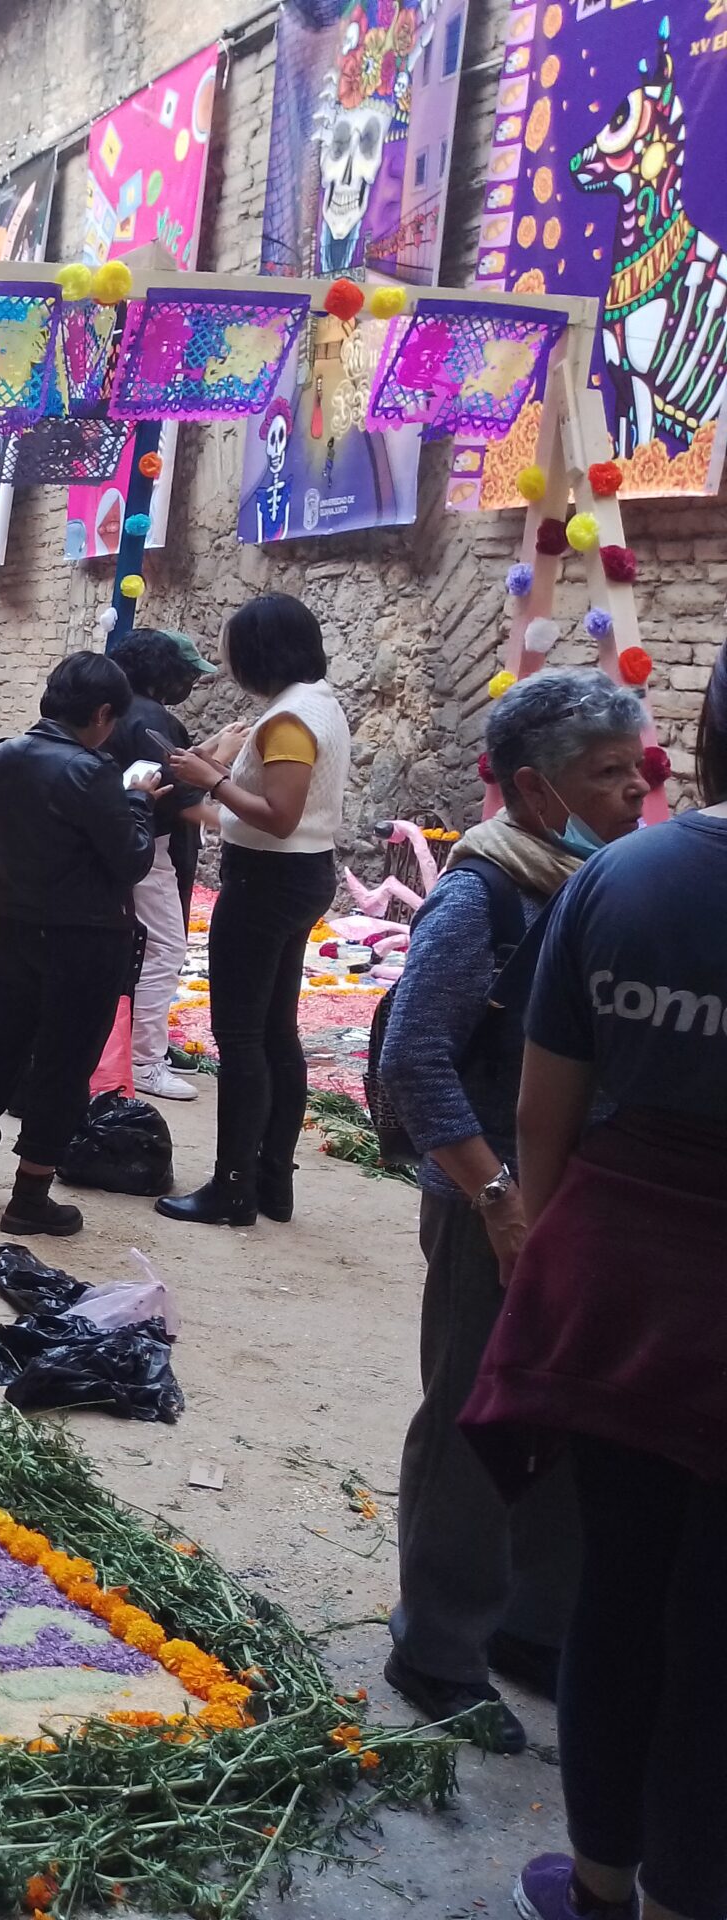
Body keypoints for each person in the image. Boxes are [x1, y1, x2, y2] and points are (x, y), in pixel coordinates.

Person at [461, 646, 727, 1920]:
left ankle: (603, 1883)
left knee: (620, 1590)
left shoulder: (625, 878)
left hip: (627, 1283)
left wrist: (560, 1266)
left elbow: (541, 1112)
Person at [380, 671, 648, 1755]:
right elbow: (413, 1058)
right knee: (473, 1421)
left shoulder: (606, 885)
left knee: (569, 1415)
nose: (635, 792)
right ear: (537, 790)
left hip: (575, 1199)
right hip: (489, 1199)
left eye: (640, 768)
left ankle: (532, 1626)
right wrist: (494, 1196)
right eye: (607, 773)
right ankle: (437, 1646)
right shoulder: (484, 894)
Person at [0, 652, 157, 1237]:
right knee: (65, 1059)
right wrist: (138, 798)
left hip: (12, 922)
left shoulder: (1, 755)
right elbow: (132, 859)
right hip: (83, 935)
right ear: (103, 713)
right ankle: (30, 1194)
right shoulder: (92, 771)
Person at [158, 593, 354, 1226]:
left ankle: (234, 1186)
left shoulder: (289, 719)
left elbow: (280, 815)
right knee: (274, 1031)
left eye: (232, 651)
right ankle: (271, 1182)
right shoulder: (316, 702)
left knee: (242, 1036)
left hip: (269, 880)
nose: (227, 662)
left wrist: (210, 779)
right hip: (298, 874)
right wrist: (210, 797)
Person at [110, 628, 217, 1100]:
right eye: (186, 675)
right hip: (149, 850)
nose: (190, 684)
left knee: (134, 951)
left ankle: (131, 1047)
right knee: (163, 950)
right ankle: (143, 1061)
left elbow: (171, 766)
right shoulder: (151, 716)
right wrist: (247, 822)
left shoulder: (116, 710)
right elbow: (180, 795)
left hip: (116, 845)